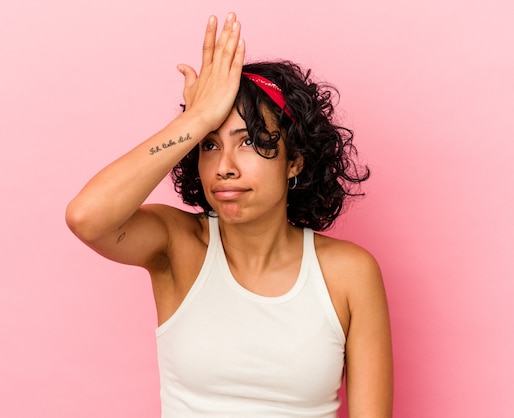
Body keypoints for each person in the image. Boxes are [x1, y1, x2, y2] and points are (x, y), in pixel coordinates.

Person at [66, 12, 393, 418]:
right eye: (209, 145)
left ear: (295, 162)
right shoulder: (177, 245)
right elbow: (86, 216)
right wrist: (196, 117)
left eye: (250, 143)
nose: (225, 166)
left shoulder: (349, 273)